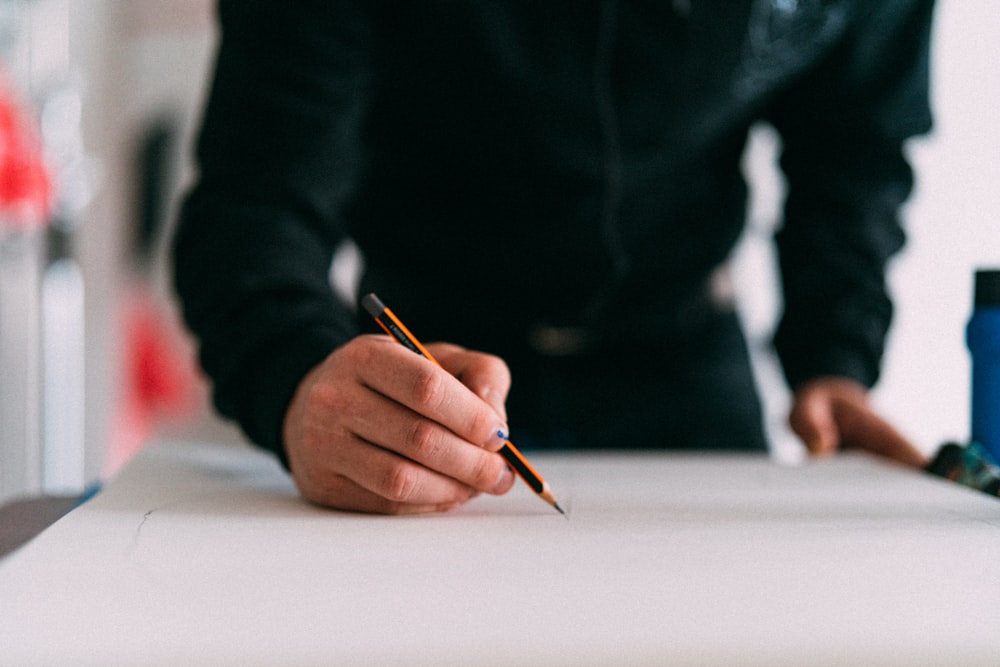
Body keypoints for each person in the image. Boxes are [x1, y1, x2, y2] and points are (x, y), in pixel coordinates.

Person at [173, 0, 935, 514]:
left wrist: (835, 355)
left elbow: (855, 152)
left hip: (686, 350)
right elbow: (257, 200)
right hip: (427, 367)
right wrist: (298, 379)